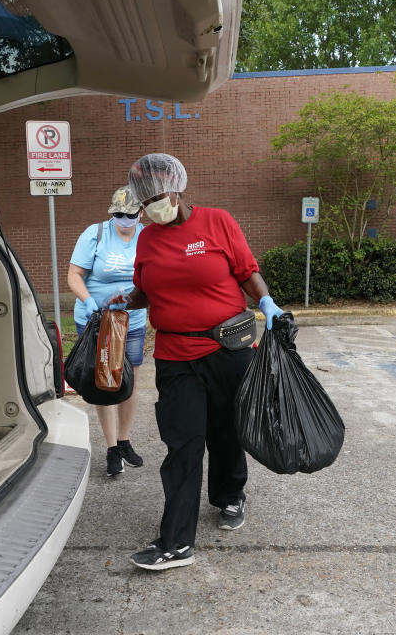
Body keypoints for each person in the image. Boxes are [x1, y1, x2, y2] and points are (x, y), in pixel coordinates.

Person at [117, 154, 284, 571]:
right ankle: (176, 542)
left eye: (157, 196)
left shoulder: (217, 222)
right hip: (175, 357)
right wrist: (126, 299)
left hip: (227, 350)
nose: (152, 206)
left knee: (226, 432)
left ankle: (229, 495)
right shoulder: (147, 238)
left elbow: (246, 271)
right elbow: (146, 289)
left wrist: (265, 301)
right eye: (145, 201)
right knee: (182, 445)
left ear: (177, 187)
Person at [66, 185, 148, 477]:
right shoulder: (96, 234)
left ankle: (124, 440)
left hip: (131, 321)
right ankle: (112, 448)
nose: (124, 219)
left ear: (141, 213)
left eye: (131, 214)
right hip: (97, 320)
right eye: (119, 214)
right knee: (105, 379)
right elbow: (74, 275)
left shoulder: (147, 237)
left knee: (129, 381)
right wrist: (88, 300)